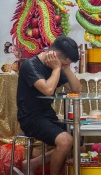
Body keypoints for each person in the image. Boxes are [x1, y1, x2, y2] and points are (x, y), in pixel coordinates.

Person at [17, 36, 82, 175]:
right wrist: (57, 68)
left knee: (78, 141)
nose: (65, 66)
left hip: (47, 115)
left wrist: (65, 68)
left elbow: (77, 88)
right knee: (65, 141)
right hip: (30, 118)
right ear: (56, 55)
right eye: (65, 63)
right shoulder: (31, 65)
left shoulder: (58, 66)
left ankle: (33, 163)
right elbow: (48, 90)